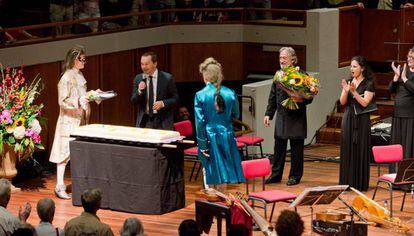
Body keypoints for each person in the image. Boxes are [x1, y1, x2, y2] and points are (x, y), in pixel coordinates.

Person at [194, 57, 245, 191]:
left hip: (209, 137)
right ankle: (221, 203)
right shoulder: (230, 93)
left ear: (205, 77)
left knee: (211, 171)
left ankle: (212, 203)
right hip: (227, 135)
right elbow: (235, 115)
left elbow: (200, 122)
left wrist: (202, 145)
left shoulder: (200, 95)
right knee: (224, 172)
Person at [264, 47, 313, 186]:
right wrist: (268, 114)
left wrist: (301, 99)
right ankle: (276, 175)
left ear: (293, 59)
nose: (281, 61)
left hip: (296, 116)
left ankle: (295, 176)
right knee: (278, 147)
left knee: (296, 148)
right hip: (282, 116)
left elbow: (310, 96)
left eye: (284, 58)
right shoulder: (278, 75)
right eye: (280, 58)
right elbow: (273, 96)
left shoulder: (302, 75)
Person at [49, 45, 91, 199]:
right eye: (82, 59)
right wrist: (79, 101)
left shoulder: (79, 76)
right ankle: (59, 185)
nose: (84, 62)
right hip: (68, 120)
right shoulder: (66, 77)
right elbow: (62, 101)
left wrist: (92, 96)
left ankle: (80, 184)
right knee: (64, 153)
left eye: (85, 59)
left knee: (78, 152)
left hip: (80, 119)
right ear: (74, 59)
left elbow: (83, 95)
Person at [339, 55, 375, 191]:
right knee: (347, 147)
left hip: (362, 119)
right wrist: (346, 90)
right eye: (351, 66)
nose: (351, 69)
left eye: (355, 66)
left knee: (360, 148)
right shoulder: (349, 81)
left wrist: (354, 92)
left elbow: (365, 103)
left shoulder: (368, 83)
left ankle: (359, 183)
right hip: (349, 117)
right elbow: (342, 102)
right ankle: (346, 182)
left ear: (362, 68)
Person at [131, 51, 179, 130]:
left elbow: (176, 99)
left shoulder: (167, 78)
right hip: (145, 121)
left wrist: (163, 103)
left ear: (155, 63)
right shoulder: (138, 78)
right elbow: (133, 101)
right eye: (142, 64)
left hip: (163, 121)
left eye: (147, 64)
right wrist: (139, 91)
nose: (144, 67)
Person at [389, 48, 414, 172]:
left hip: (410, 116)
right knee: (396, 147)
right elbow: (391, 90)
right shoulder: (404, 70)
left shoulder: (407, 75)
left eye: (412, 57)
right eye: (408, 56)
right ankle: (395, 176)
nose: (409, 59)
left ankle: (406, 179)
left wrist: (404, 79)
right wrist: (396, 77)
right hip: (397, 115)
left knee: (407, 147)